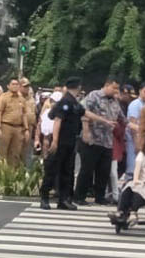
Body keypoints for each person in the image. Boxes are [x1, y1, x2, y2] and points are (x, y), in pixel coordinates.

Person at [39, 77, 116, 210]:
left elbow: (85, 112)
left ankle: (63, 200)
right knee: (52, 169)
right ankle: (44, 198)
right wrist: (55, 141)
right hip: (60, 141)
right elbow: (57, 120)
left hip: (70, 141)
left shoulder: (74, 102)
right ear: (78, 87)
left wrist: (104, 121)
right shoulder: (66, 101)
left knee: (67, 171)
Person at [74, 77, 125, 206]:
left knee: (104, 170)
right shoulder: (94, 96)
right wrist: (86, 132)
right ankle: (79, 196)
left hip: (107, 140)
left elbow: (122, 118)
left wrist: (135, 127)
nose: (116, 91)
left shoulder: (114, 101)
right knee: (87, 169)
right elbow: (84, 113)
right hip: (92, 138)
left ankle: (100, 196)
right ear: (107, 85)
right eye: (114, 88)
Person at [0, 78, 29, 167]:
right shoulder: (3, 97)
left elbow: (24, 114)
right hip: (6, 126)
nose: (15, 86)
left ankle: (12, 175)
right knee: (3, 151)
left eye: (17, 84)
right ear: (8, 86)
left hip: (18, 128)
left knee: (15, 153)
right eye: (13, 84)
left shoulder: (22, 99)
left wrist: (26, 129)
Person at [125, 82, 145, 178]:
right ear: (140, 91)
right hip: (134, 140)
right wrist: (136, 143)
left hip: (144, 140)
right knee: (133, 168)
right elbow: (132, 125)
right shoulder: (135, 104)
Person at [19, 78, 37, 169]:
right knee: (17, 150)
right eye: (25, 86)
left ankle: (26, 171)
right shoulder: (16, 97)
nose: (27, 88)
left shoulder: (31, 99)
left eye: (28, 86)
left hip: (30, 127)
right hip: (18, 127)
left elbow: (34, 113)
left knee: (27, 150)